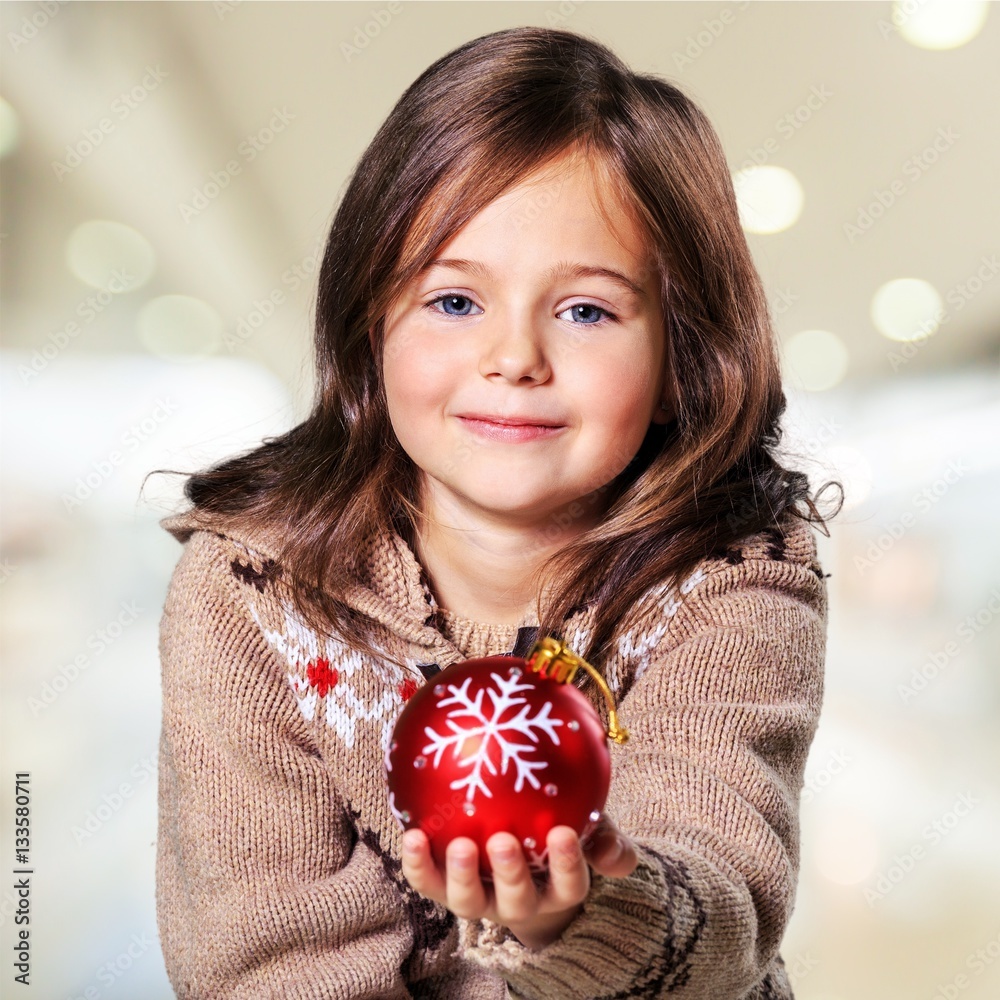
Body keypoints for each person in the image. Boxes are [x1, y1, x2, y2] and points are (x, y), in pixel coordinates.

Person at [153, 24, 839, 1000]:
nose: (513, 356)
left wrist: (584, 915)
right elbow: (271, 966)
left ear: (684, 362)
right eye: (454, 300)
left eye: (587, 311)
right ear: (369, 325)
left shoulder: (732, 579)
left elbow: (723, 904)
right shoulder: (251, 595)